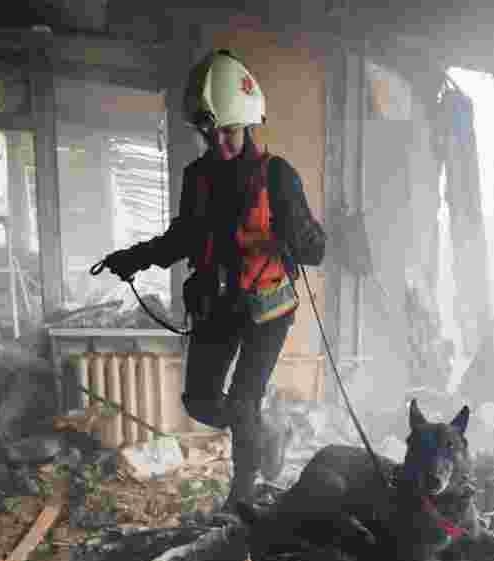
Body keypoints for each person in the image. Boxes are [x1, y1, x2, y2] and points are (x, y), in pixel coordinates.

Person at [98, 49, 326, 512]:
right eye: (209, 132)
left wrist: (293, 233)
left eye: (229, 130)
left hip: (267, 308)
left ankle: (242, 494)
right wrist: (134, 258)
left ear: (249, 124)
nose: (219, 142)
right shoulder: (197, 177)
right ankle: (265, 430)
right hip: (216, 306)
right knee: (200, 402)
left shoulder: (278, 176)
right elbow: (184, 237)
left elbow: (315, 249)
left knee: (243, 401)